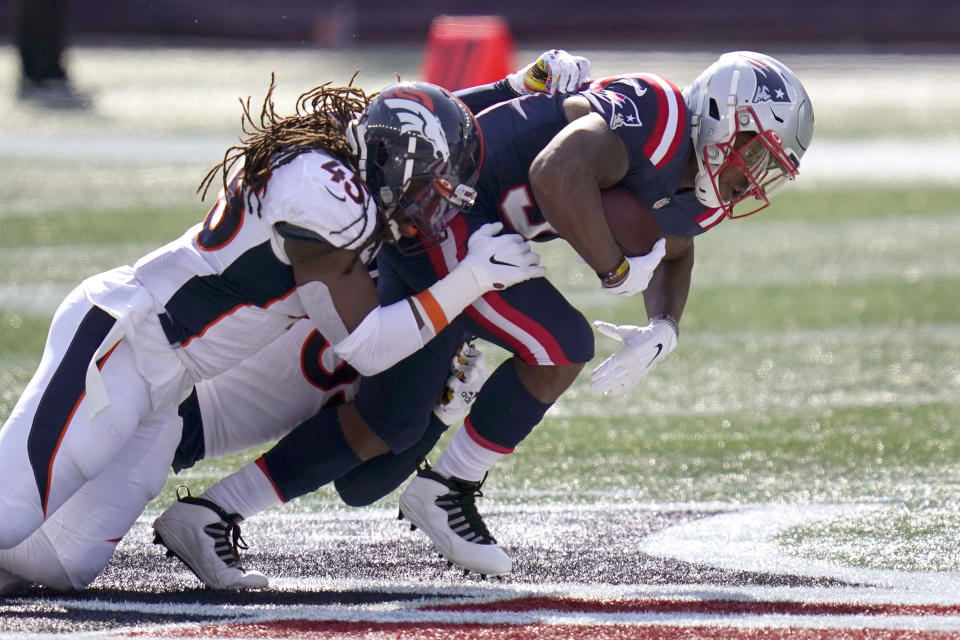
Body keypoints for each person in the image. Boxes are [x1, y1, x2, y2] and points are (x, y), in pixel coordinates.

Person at [0, 51, 590, 594]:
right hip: (127, 341)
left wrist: (512, 88)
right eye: (426, 186)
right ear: (390, 165)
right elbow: (367, 348)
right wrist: (469, 280)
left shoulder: (356, 154)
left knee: (54, 564)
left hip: (167, 382)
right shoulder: (327, 199)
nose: (432, 205)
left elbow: (413, 115)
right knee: (9, 516)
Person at [280, 50, 815, 577]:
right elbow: (556, 171)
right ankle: (448, 488)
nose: (756, 172)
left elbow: (676, 248)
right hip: (447, 202)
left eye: (771, 163)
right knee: (563, 345)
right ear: (724, 115)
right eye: (756, 148)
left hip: (486, 240)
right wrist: (616, 271)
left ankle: (223, 506)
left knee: (378, 449)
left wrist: (663, 328)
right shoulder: (658, 115)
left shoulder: (698, 182)